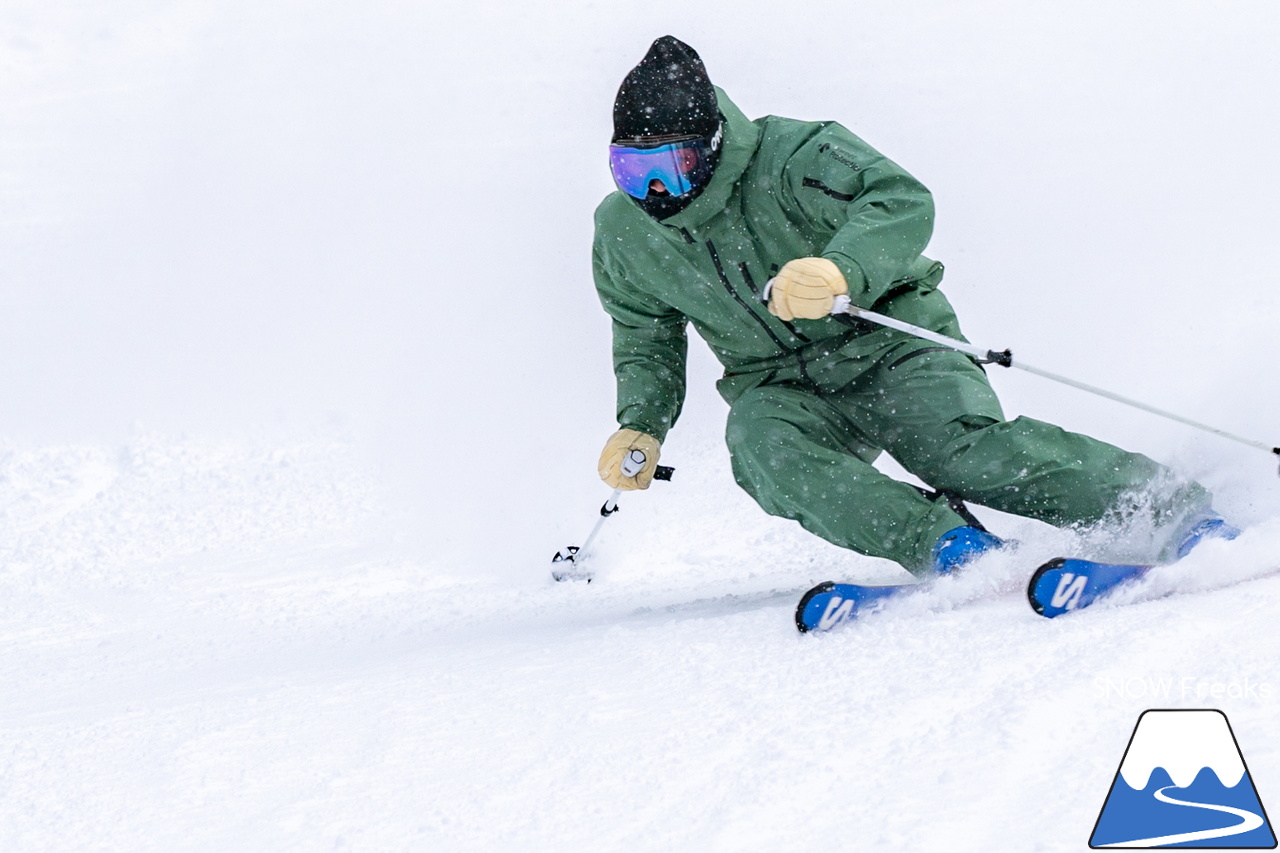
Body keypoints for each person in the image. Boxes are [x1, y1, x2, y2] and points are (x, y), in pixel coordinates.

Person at [592, 35, 1234, 577]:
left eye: (669, 168)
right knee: (763, 450)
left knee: (963, 456)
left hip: (892, 345)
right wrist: (642, 422)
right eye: (630, 169)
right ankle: (949, 547)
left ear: (710, 145)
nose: (652, 191)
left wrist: (841, 269)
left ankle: (1171, 511)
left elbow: (898, 198)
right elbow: (643, 333)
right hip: (779, 385)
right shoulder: (624, 231)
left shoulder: (794, 155)